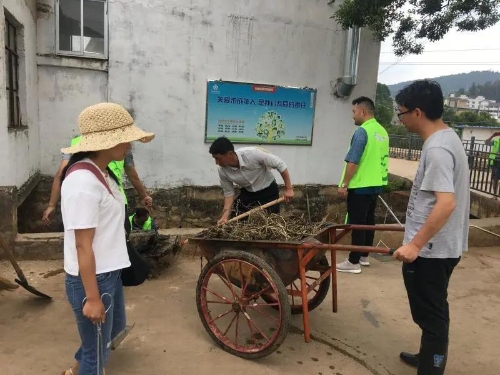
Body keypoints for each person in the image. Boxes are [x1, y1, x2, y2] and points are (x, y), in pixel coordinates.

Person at [60, 102, 154, 375]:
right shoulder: (82, 182)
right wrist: (91, 298)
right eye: (125, 139)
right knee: (97, 354)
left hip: (109, 273)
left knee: (106, 335)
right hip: (94, 278)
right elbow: (82, 245)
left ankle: (73, 370)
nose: (129, 145)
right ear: (105, 142)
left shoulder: (102, 171)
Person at [392, 80, 469, 375]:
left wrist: (415, 244)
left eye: (401, 113)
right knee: (432, 311)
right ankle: (428, 355)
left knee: (431, 315)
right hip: (441, 247)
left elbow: (446, 203)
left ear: (418, 113)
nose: (400, 118)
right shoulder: (448, 137)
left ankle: (432, 367)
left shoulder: (437, 149)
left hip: (432, 252)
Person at [42, 136, 153, 227]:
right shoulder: (83, 180)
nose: (129, 146)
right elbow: (133, 176)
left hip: (113, 198)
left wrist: (52, 205)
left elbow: (60, 174)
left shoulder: (76, 143)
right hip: (115, 201)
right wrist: (144, 195)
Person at [336, 96, 389, 274]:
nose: (353, 115)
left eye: (354, 111)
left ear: (363, 111)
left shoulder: (362, 132)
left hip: (360, 185)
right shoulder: (381, 131)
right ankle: (364, 256)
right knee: (368, 221)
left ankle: (353, 262)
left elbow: (353, 161)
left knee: (357, 223)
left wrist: (344, 183)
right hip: (376, 184)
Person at [208, 137, 294, 225]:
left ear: (230, 154)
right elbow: (229, 193)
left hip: (268, 189)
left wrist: (289, 189)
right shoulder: (222, 171)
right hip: (248, 192)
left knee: (272, 222)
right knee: (236, 220)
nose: (216, 162)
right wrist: (224, 216)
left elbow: (280, 164)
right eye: (215, 159)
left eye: (218, 158)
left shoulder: (252, 154)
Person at [485, 131, 500, 196]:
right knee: (494, 179)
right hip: (495, 161)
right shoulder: (496, 140)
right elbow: (486, 142)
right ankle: (495, 195)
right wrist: (492, 136)